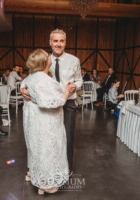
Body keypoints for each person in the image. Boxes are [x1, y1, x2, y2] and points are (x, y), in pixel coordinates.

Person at [21, 29, 82, 173]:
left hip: (68, 104)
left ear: (65, 43)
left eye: (61, 41)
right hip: (48, 107)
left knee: (67, 138)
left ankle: (67, 171)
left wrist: (75, 85)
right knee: (51, 139)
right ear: (50, 42)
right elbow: (31, 77)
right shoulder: (44, 59)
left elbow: (79, 79)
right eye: (55, 41)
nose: (58, 44)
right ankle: (50, 171)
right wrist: (22, 87)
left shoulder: (74, 60)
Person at [23, 49, 71, 195]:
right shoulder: (43, 79)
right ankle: (45, 184)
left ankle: (35, 174)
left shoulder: (32, 76)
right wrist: (67, 92)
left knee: (36, 147)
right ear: (45, 62)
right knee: (48, 149)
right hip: (46, 120)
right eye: (48, 57)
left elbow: (30, 88)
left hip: (34, 118)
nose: (50, 58)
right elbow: (50, 102)